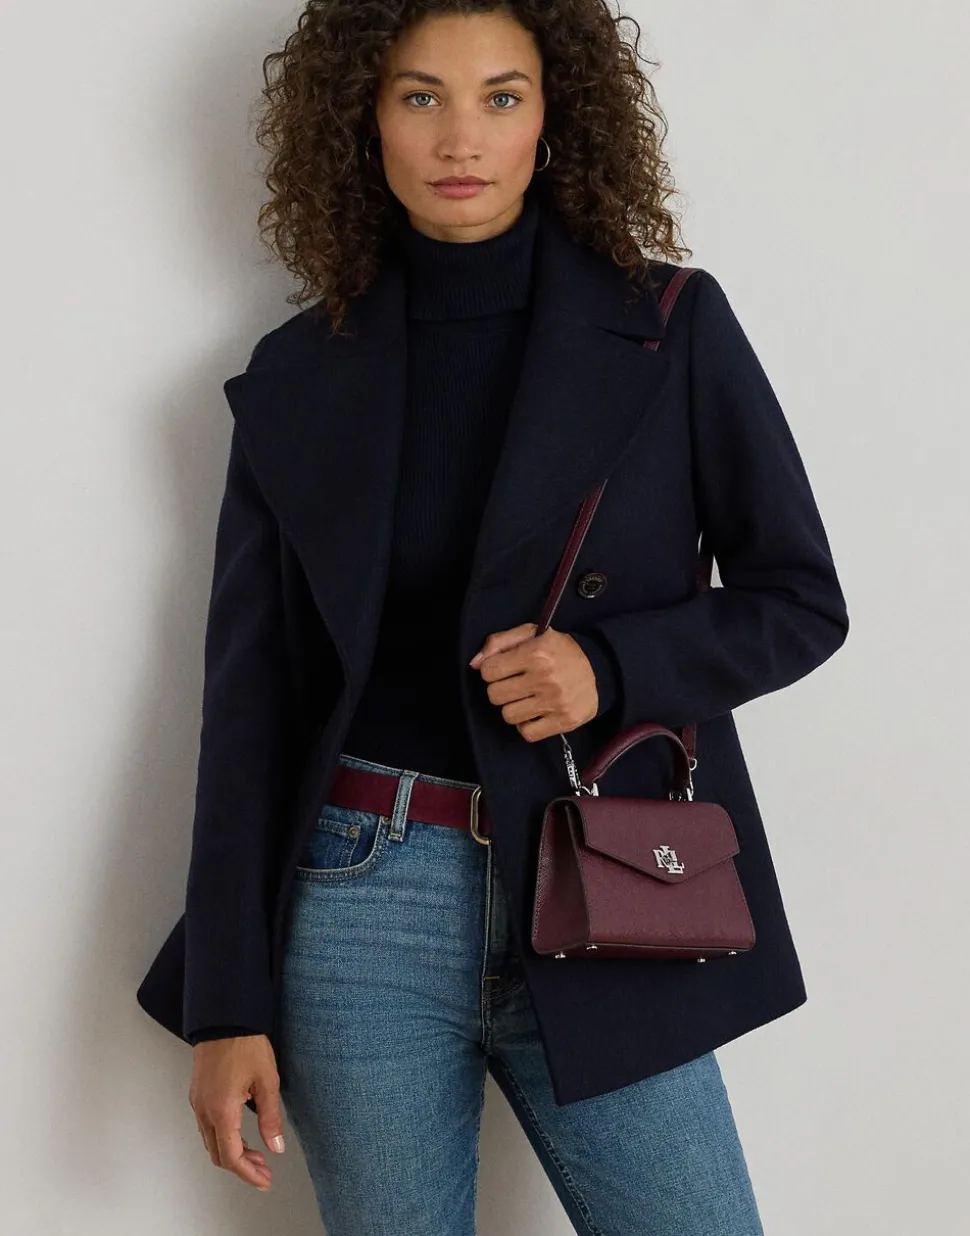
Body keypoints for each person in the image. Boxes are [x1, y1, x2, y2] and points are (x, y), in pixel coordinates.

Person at [137, 3, 850, 1232]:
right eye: (419, 96)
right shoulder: (299, 374)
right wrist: (225, 1005)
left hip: (609, 877)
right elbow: (249, 709)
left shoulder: (668, 328)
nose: (459, 136)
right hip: (358, 899)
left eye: (500, 96)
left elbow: (800, 600)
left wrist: (609, 666)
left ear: (553, 116)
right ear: (361, 119)